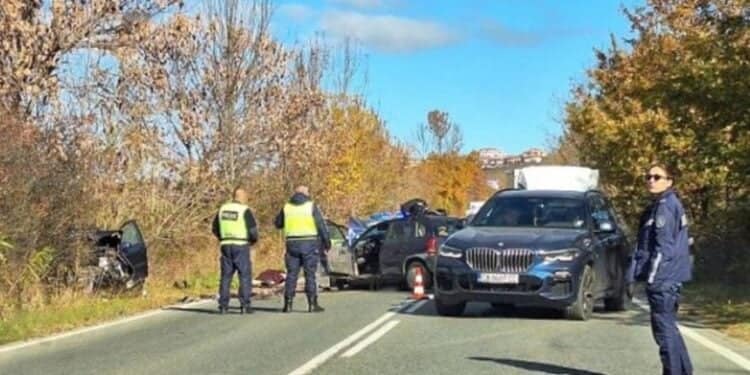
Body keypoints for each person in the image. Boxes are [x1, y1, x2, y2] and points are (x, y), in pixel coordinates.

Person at [628, 163, 693, 375]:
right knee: (670, 329)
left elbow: (663, 248)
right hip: (669, 276)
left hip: (663, 278)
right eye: (648, 177)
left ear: (669, 181)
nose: (651, 181)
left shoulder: (665, 207)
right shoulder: (664, 205)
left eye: (657, 177)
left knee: (663, 332)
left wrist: (653, 278)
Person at [275, 185, 331, 313]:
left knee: (291, 274)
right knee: (310, 274)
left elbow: (278, 223)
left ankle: (288, 305)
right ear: (306, 193)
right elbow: (321, 225)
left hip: (292, 243)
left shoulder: (287, 207)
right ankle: (312, 304)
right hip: (309, 243)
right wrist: (327, 243)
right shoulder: (310, 206)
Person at [212, 187, 259, 315]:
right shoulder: (244, 210)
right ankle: (245, 305)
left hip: (226, 244)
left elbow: (214, 228)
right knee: (244, 275)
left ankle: (223, 306)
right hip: (241, 244)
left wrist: (223, 238)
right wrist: (253, 241)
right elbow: (253, 230)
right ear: (243, 197)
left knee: (226, 276)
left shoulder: (222, 209)